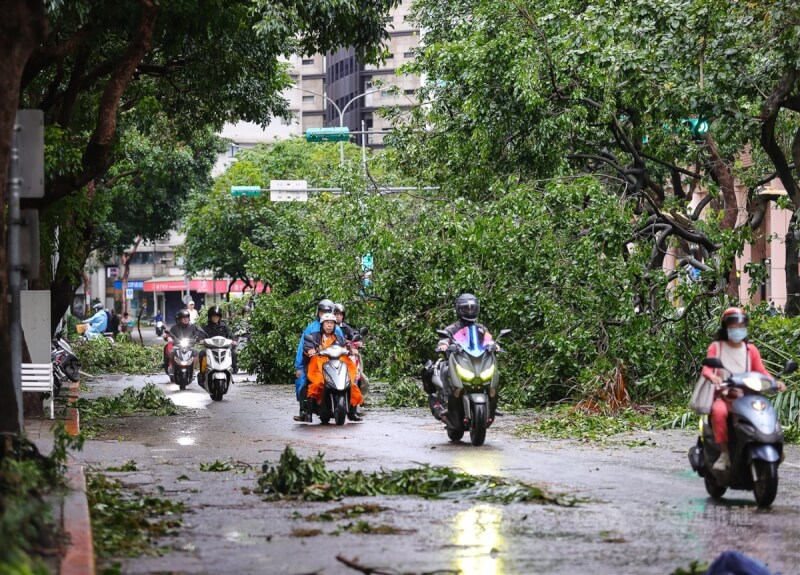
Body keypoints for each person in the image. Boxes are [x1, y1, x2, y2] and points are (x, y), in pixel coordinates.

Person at [701, 307, 786, 472]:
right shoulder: (716, 347)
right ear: (726, 328)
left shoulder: (750, 350)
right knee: (718, 412)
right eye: (733, 326)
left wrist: (775, 383)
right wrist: (713, 377)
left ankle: (775, 445)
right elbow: (707, 368)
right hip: (726, 395)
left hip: (748, 395)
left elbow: (761, 371)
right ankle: (724, 453)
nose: (737, 329)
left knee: (768, 411)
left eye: (741, 325)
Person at [424, 293, 496, 421]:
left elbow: (488, 339)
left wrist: (494, 345)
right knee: (445, 371)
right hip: (458, 360)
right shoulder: (453, 327)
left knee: (494, 371)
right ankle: (446, 400)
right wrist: (444, 345)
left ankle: (493, 402)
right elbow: (445, 338)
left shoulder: (480, 328)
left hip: (475, 361)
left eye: (472, 308)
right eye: (466, 308)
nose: (469, 311)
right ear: (459, 309)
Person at [302, 313, 363, 422]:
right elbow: (307, 345)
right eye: (327, 323)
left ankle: (352, 412)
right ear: (322, 324)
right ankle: (308, 413)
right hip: (319, 364)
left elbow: (346, 346)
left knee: (351, 383)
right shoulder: (315, 336)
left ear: (335, 325)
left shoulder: (339, 338)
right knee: (317, 383)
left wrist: (352, 349)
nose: (329, 326)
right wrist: (310, 350)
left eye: (331, 323)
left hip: (338, 362)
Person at [294, 299, 344, 421]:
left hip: (332, 362)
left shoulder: (337, 330)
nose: (328, 325)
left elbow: (343, 343)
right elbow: (303, 347)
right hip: (314, 363)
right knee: (305, 382)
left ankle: (353, 408)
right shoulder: (311, 329)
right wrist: (299, 366)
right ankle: (304, 411)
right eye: (321, 312)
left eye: (327, 312)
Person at [199, 306, 238, 384]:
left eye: (217, 316)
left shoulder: (224, 327)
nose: (215, 318)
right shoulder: (206, 328)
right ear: (210, 317)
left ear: (219, 317)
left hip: (224, 348)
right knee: (202, 353)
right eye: (213, 316)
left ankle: (233, 369)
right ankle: (202, 374)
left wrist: (234, 340)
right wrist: (200, 340)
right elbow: (200, 335)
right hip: (210, 349)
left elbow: (231, 334)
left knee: (233, 352)